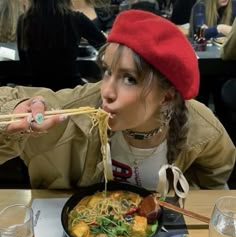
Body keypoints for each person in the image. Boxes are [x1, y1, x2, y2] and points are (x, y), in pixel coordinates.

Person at [0, 10, 235, 194]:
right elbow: (11, 102)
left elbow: (214, 179)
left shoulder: (202, 128)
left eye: (129, 79)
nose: (106, 91)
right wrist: (16, 111)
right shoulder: (82, 106)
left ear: (167, 95)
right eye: (107, 71)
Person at [16, 0, 106, 91]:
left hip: (38, 92)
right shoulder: (76, 18)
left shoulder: (23, 21)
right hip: (71, 90)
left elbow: (24, 64)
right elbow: (104, 46)